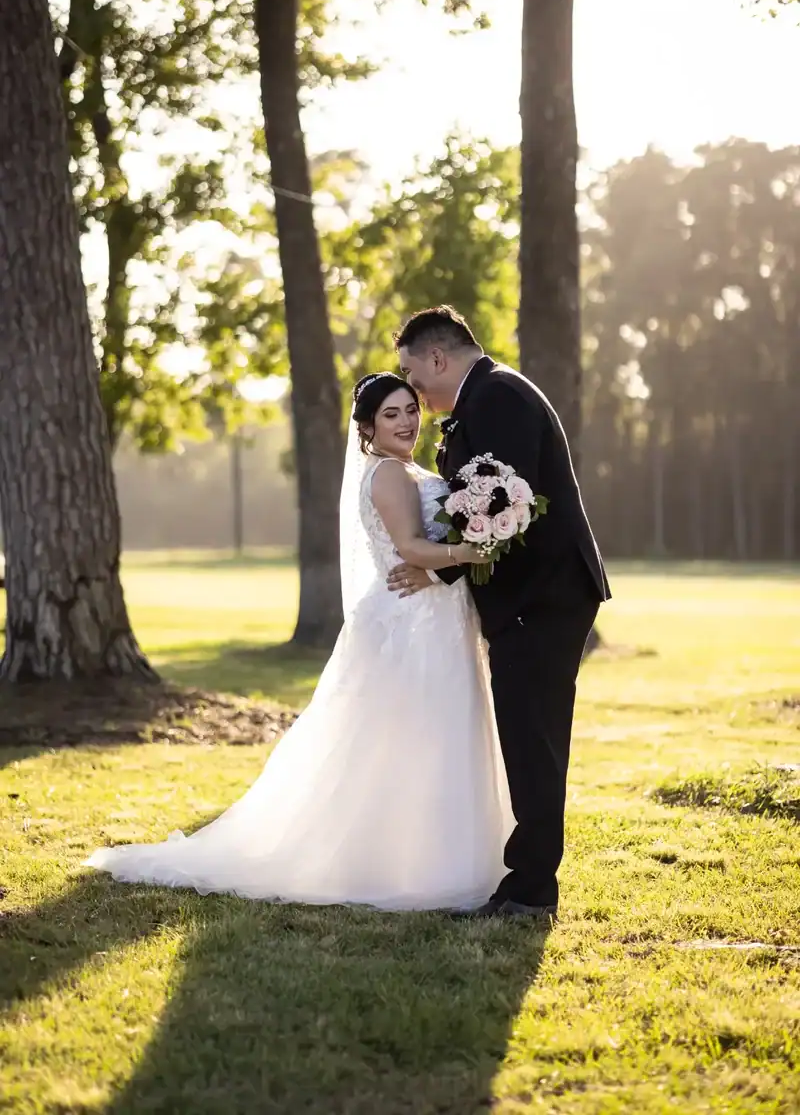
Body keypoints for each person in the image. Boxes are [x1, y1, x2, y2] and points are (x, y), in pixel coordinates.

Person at [85, 373, 513, 912]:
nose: (407, 421)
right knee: (410, 738)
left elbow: (424, 551)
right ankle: (412, 867)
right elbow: (409, 547)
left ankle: (450, 855)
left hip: (435, 617)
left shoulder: (408, 470)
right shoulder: (387, 476)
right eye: (391, 414)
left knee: (436, 735)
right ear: (366, 428)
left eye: (410, 409)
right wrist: (474, 552)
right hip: (413, 626)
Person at [390, 306, 610, 920]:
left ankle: (530, 891)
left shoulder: (498, 397)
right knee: (528, 735)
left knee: (533, 737)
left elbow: (503, 506)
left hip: (542, 595)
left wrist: (437, 565)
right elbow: (488, 503)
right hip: (532, 595)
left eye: (412, 370)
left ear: (438, 357)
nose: (412, 387)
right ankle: (525, 882)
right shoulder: (484, 398)